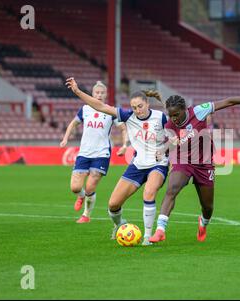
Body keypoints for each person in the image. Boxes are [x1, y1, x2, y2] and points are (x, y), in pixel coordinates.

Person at [149, 93, 240, 243]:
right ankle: (160, 230)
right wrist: (165, 148)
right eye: (171, 115)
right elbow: (171, 146)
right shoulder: (169, 125)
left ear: (184, 109)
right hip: (184, 161)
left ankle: (203, 223)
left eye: (176, 114)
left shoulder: (199, 111)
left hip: (204, 163)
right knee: (172, 189)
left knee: (208, 207)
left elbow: (229, 100)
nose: (174, 118)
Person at [65, 77, 169, 245]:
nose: (137, 110)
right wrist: (77, 91)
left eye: (140, 106)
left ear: (147, 104)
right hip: (137, 164)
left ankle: (147, 238)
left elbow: (173, 137)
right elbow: (100, 106)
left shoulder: (160, 118)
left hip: (158, 164)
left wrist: (164, 150)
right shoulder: (127, 116)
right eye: (134, 107)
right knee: (113, 205)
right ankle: (120, 225)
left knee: (149, 193)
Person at [60, 81, 128, 223]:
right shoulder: (85, 109)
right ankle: (81, 196)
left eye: (102, 93)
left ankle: (86, 216)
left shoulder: (110, 111)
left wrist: (125, 144)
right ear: (92, 94)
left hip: (101, 154)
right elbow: (73, 123)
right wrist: (65, 138)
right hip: (84, 153)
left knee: (91, 187)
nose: (99, 95)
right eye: (97, 92)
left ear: (106, 95)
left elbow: (123, 128)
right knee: (75, 187)